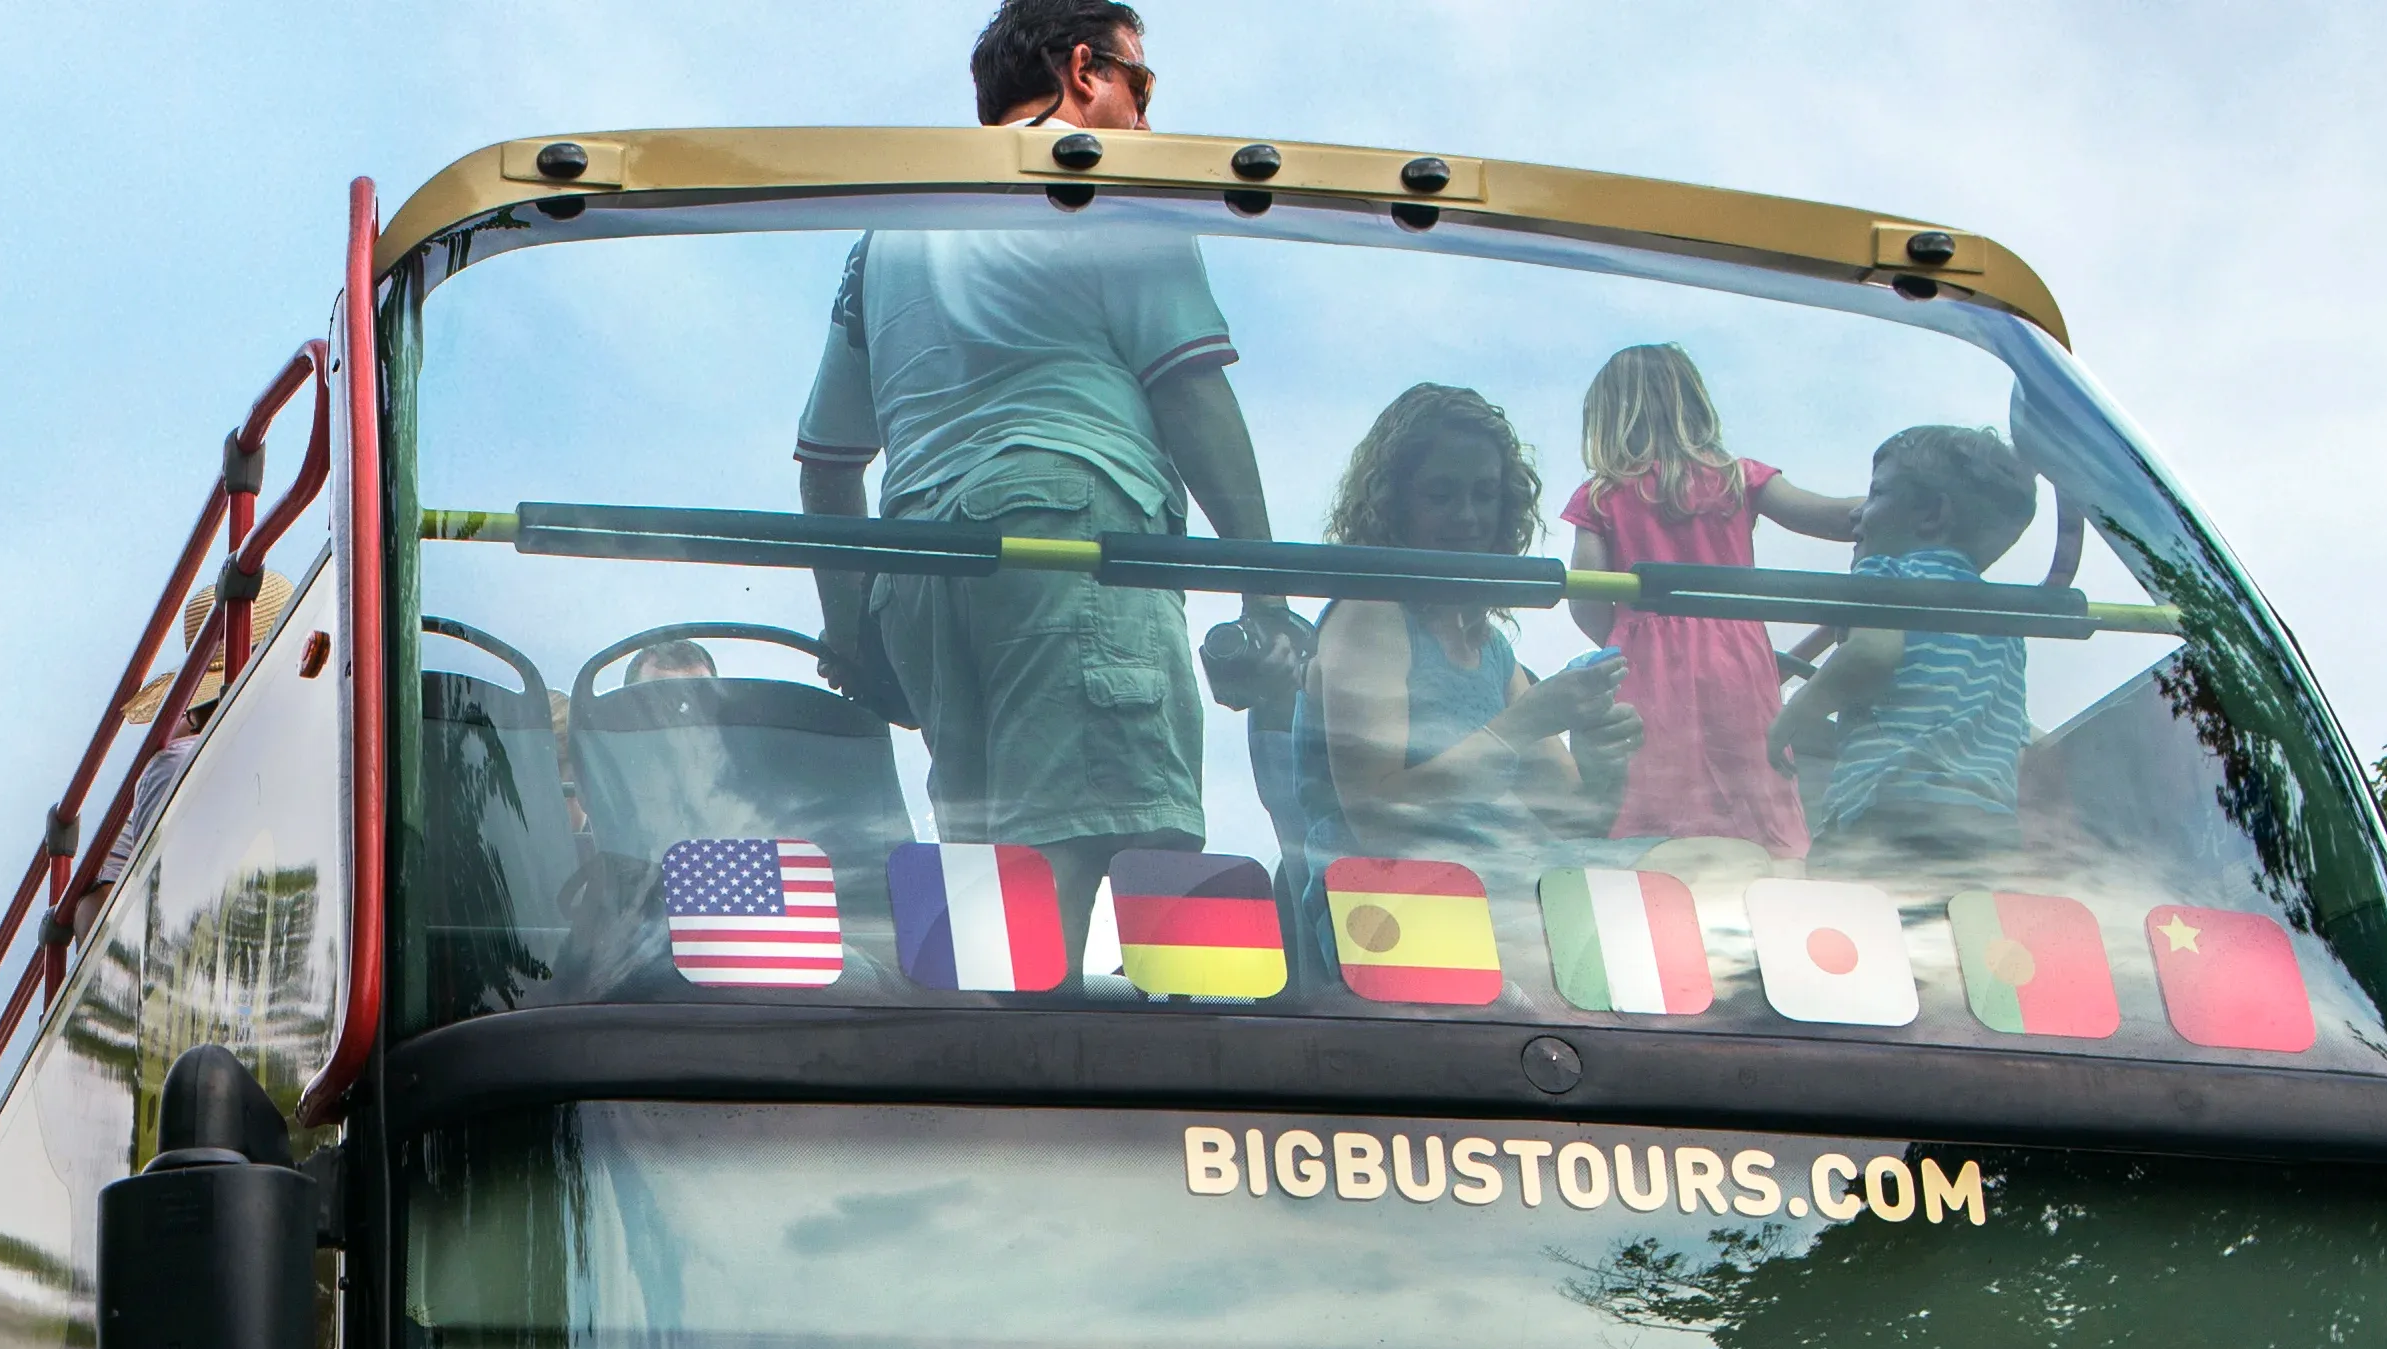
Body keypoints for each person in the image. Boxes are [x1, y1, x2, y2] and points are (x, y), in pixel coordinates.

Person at [794, 7, 1289, 896]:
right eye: (1142, 85)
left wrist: (857, 639)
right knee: (1134, 860)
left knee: (990, 899)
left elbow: (828, 464)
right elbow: (1191, 394)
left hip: (918, 573)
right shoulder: (1109, 186)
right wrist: (1267, 592)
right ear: (1084, 70)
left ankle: (979, 1039)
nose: (1148, 121)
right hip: (1066, 535)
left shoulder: (889, 233)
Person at [1290, 387, 1628, 854]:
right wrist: (1525, 723)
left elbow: (1576, 822)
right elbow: (1378, 823)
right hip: (1403, 909)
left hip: (1510, 891)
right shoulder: (1370, 615)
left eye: (1484, 495)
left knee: (1722, 861)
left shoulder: (1493, 650)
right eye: (1442, 494)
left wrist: (1599, 753)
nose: (1468, 516)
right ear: (1395, 504)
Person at [1561, 345, 1860, 856]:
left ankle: (1657, 866)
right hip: (1735, 653)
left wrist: (1626, 633)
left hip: (1642, 657)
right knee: (1751, 765)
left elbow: (1585, 594)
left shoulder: (1601, 494)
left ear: (1607, 417)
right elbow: (1830, 517)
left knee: (1653, 777)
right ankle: (1774, 862)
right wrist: (1900, 510)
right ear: (1693, 403)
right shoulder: (1738, 477)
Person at [1775, 426, 2038, 855]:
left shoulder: (1886, 576)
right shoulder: (2005, 621)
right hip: (1987, 829)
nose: (1857, 513)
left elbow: (1872, 654)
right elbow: (2015, 742)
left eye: (1876, 495)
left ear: (1932, 515)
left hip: (1889, 811)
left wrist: (1787, 720)